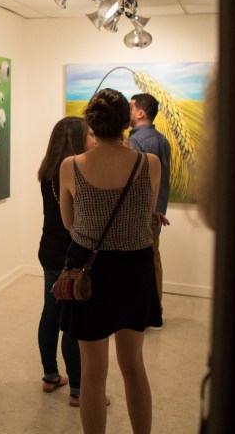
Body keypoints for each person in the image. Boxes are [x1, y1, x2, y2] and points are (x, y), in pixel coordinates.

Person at [58, 88, 164, 434]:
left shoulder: (71, 166)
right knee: (133, 365)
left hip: (89, 269)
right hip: (134, 269)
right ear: (126, 123)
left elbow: (69, 223)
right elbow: (147, 215)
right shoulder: (148, 163)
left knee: (92, 371)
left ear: (92, 122)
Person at [36, 116, 96, 406]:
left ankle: (50, 376)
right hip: (69, 252)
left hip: (48, 249)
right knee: (71, 320)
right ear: (76, 138)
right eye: (89, 135)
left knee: (50, 313)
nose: (93, 139)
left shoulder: (47, 171)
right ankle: (78, 390)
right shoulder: (76, 172)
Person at [127, 93, 171, 328]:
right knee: (153, 259)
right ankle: (155, 309)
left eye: (131, 107)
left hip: (142, 216)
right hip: (157, 212)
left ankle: (143, 312)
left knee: (141, 265)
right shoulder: (162, 139)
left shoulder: (136, 142)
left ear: (140, 113)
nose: (128, 111)